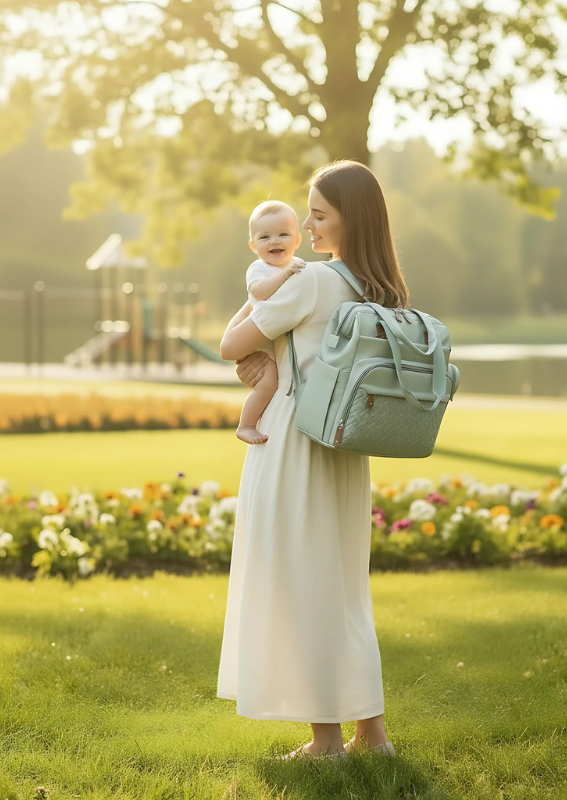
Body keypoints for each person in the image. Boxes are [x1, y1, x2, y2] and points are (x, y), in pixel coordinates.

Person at [217, 159, 409, 760]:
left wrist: (258, 313)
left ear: (350, 218)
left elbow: (229, 345)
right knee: (343, 589)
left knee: (300, 583)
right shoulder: (377, 286)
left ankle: (325, 742)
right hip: (344, 447)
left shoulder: (315, 281)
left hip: (295, 441)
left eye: (319, 214)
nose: (305, 223)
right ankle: (370, 735)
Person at [234, 200, 307, 445]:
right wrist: (285, 276)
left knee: (276, 387)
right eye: (265, 237)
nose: (274, 241)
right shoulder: (259, 268)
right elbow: (259, 293)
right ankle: (245, 425)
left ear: (297, 240)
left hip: (276, 338)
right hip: (259, 342)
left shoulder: (299, 267)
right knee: (267, 385)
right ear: (254, 246)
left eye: (283, 234)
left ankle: (265, 418)